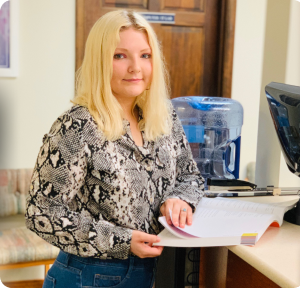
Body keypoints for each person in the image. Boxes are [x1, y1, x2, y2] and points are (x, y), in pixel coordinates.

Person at [25, 9, 205, 288]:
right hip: (90, 275)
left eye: (145, 55)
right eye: (120, 56)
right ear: (100, 61)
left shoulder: (163, 115)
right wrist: (121, 241)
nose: (136, 67)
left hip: (157, 269)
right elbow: (42, 212)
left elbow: (190, 176)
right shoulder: (77, 125)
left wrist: (181, 199)